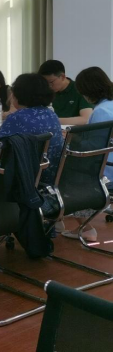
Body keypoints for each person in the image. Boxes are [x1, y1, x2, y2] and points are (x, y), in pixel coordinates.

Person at [0, 73, 63, 186]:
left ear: (18, 94)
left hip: (23, 180)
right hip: (49, 174)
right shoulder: (51, 114)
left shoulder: (17, 118)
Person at [61, 66, 113, 242]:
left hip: (106, 169)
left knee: (60, 175)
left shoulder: (101, 112)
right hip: (109, 162)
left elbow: (93, 149)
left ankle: (85, 227)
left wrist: (70, 138)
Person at [38, 60, 92, 125]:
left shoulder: (80, 89)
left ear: (62, 77)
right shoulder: (44, 91)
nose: (48, 86)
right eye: (45, 82)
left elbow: (86, 119)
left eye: (51, 82)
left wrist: (52, 120)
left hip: (73, 130)